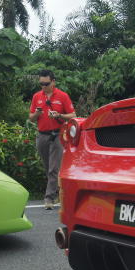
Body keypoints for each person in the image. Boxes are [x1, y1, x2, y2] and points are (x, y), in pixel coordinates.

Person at [29, 69, 76, 210]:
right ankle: (57, 193)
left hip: (58, 135)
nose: (43, 86)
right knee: (48, 167)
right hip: (42, 135)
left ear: (53, 82)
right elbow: (31, 118)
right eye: (41, 84)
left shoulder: (62, 96)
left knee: (53, 168)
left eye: (46, 83)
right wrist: (37, 113)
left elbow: (73, 114)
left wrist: (59, 115)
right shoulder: (37, 96)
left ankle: (48, 198)